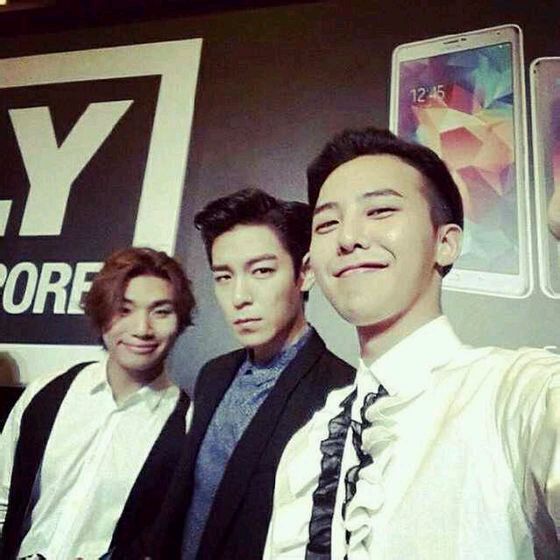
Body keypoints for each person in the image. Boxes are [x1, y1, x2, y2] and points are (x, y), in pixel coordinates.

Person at [265, 127, 560, 559]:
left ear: (446, 243)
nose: (347, 238)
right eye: (327, 223)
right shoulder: (306, 445)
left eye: (380, 210)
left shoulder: (518, 395)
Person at [141, 188, 354, 560]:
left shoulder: (340, 392)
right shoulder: (214, 375)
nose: (239, 296)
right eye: (224, 276)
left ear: (304, 273)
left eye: (262, 271)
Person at [0, 247, 195, 560]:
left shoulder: (187, 426)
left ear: (180, 320)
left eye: (161, 311)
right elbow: (3, 494)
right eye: (124, 309)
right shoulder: (47, 393)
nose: (142, 329)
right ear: (102, 313)